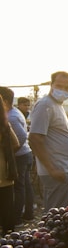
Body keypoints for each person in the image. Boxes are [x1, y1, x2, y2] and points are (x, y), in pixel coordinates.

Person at [29, 71, 68, 211]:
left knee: (61, 213)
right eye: (59, 86)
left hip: (62, 170)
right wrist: (52, 170)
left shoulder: (57, 105)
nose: (63, 90)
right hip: (55, 171)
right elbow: (35, 138)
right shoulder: (45, 105)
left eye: (67, 88)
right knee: (56, 215)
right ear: (51, 85)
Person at [2, 87, 35, 222]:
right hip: (25, 154)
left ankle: (16, 218)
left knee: (19, 187)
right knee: (26, 185)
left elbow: (21, 137)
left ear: (3, 100)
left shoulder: (12, 117)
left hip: (20, 156)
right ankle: (28, 214)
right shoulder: (14, 112)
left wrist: (10, 154)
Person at [0, 92, 20, 235]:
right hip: (5, 172)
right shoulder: (5, 125)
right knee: (7, 207)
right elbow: (16, 143)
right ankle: (8, 240)